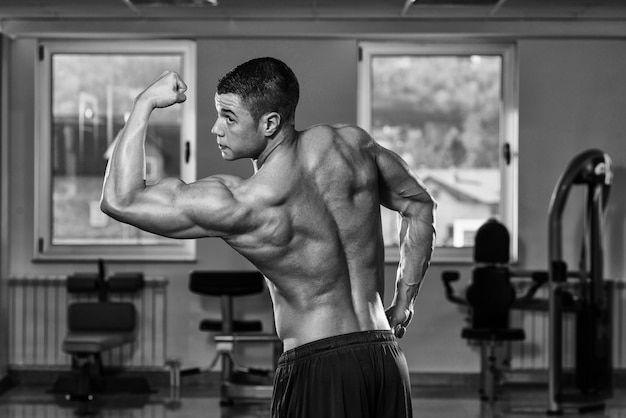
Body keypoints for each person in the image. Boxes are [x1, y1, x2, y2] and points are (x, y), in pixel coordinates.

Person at [101, 57, 436, 418]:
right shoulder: (351, 145)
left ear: (270, 123)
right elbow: (419, 204)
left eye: (229, 117)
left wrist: (144, 102)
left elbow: (120, 199)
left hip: (320, 368)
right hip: (385, 358)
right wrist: (403, 303)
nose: (216, 128)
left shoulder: (244, 204)